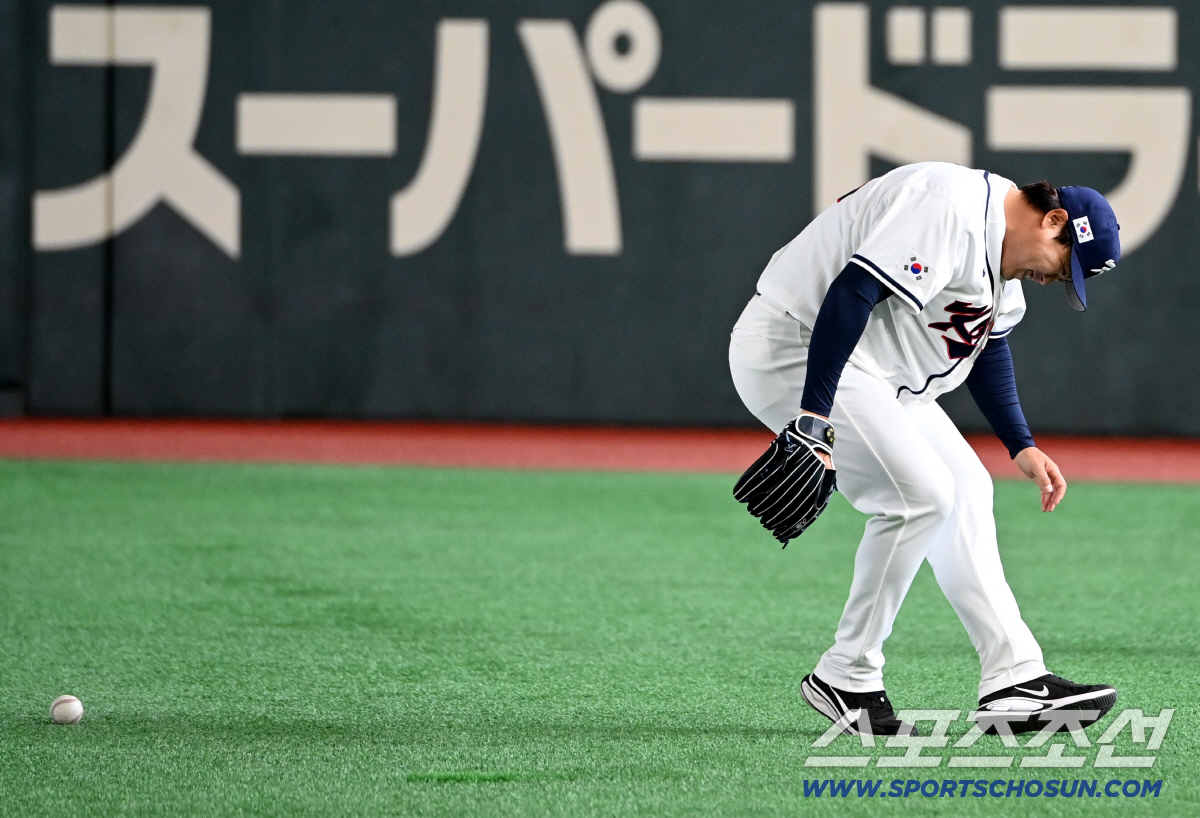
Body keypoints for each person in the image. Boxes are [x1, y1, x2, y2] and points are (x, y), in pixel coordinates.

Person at [728, 161, 1119, 736]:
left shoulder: (999, 254)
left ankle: (1013, 679)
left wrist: (1021, 444)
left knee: (966, 490)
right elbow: (852, 292)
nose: (1052, 279)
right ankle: (847, 673)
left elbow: (986, 345)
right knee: (920, 497)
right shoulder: (949, 206)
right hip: (798, 343)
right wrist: (814, 415)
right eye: (1064, 265)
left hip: (872, 370)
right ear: (1054, 220)